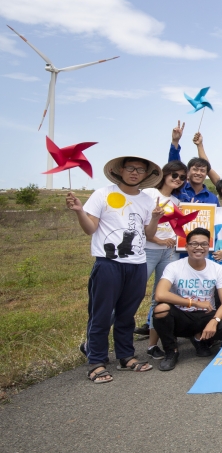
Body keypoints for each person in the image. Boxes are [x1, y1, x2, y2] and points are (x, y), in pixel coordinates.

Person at [67, 155, 163, 382]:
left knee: (127, 315)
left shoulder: (147, 201)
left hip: (137, 264)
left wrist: (156, 218)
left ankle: (126, 357)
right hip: (108, 263)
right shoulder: (102, 194)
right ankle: (96, 361)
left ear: (146, 175)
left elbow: (148, 235)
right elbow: (90, 229)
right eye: (130, 168)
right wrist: (80, 211)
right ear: (120, 170)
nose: (135, 173)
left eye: (140, 170)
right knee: (100, 314)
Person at [153, 228, 222, 372]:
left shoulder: (217, 268)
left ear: (209, 247)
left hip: (206, 316)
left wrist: (215, 321)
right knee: (161, 309)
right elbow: (160, 294)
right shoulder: (174, 266)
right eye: (194, 244)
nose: (199, 248)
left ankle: (200, 340)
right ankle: (171, 352)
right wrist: (193, 302)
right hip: (182, 316)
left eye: (203, 244)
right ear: (186, 246)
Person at [138, 161, 186, 355]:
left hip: (170, 252)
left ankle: (152, 345)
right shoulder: (149, 193)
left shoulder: (177, 202)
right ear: (165, 174)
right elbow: (138, 221)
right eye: (174, 175)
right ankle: (98, 341)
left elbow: (178, 228)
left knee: (159, 296)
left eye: (182, 177)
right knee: (132, 294)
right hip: (148, 250)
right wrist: (156, 239)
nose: (178, 180)